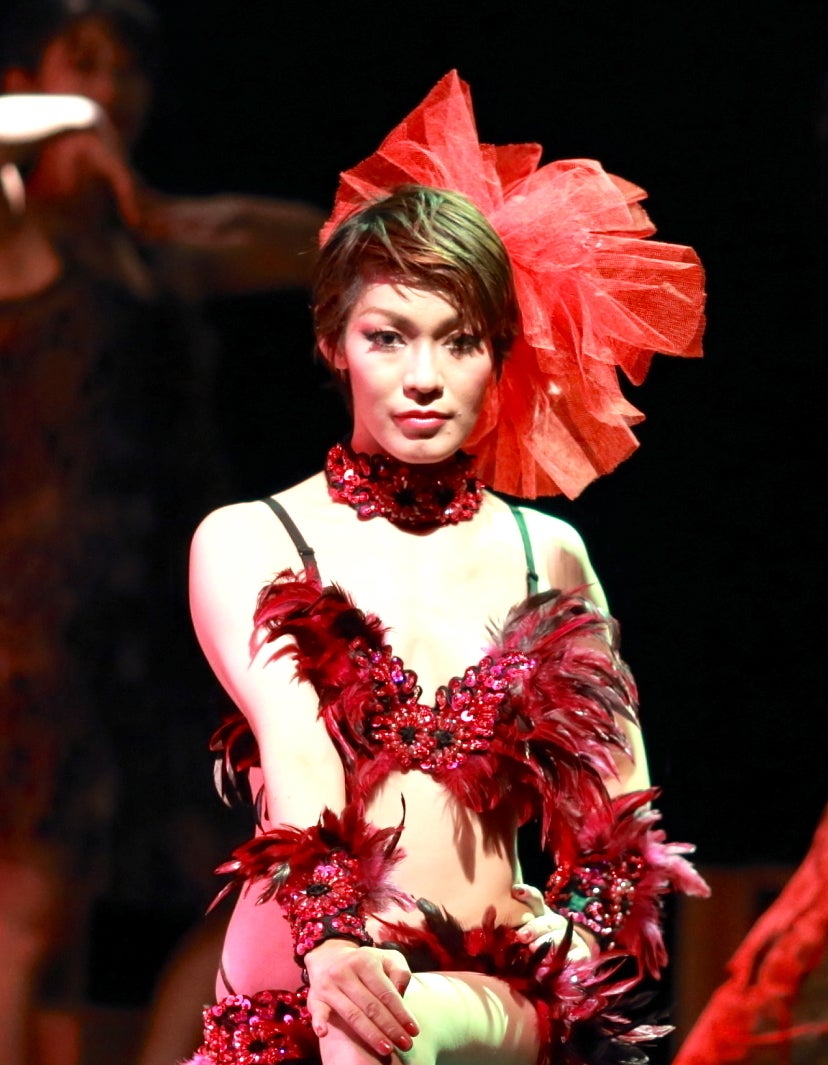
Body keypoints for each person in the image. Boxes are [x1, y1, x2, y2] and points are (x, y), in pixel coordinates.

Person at [186, 71, 709, 1065]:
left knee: (385, 1034)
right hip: (298, 986)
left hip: (483, 1004)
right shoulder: (251, 537)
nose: (423, 378)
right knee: (359, 1023)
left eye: (458, 341)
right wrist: (335, 942)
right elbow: (298, 753)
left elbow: (620, 815)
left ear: (499, 356)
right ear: (334, 344)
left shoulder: (545, 553)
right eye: (388, 338)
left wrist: (583, 936)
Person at [0, 3, 325, 1060]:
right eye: (83, 65)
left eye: (127, 71)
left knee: (258, 876)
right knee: (28, 911)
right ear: (23, 81)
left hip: (161, 623)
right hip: (38, 624)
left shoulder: (157, 239)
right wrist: (65, 127)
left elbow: (326, 241)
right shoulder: (15, 228)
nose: (111, 91)